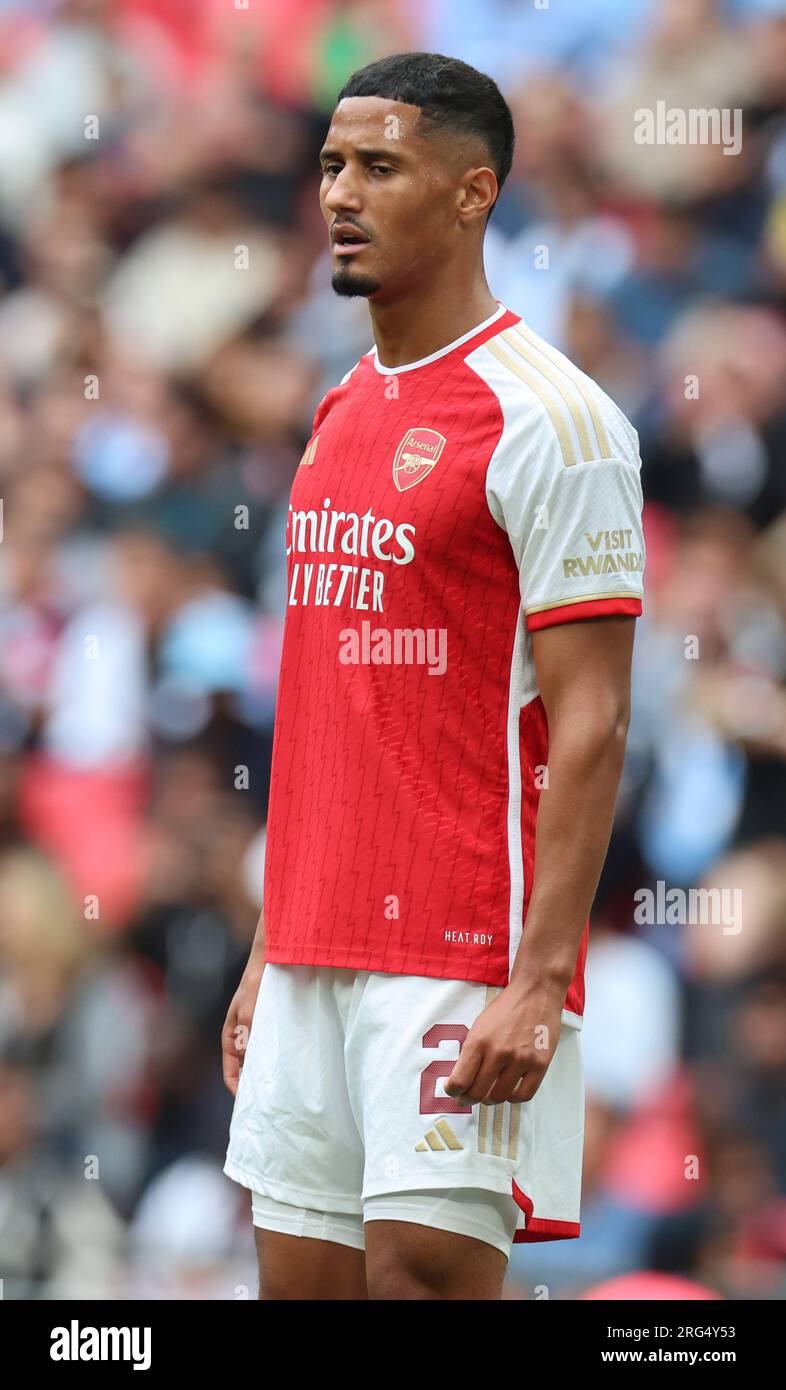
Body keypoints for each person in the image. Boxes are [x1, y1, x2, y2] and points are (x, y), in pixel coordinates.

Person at [221, 51, 645, 1301]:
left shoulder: (555, 421)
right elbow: (326, 704)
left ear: (474, 193)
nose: (341, 194)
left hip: (460, 944)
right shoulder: (341, 409)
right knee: (301, 1287)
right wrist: (266, 944)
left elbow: (596, 717)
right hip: (312, 945)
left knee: (420, 1281)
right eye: (331, 166)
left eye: (379, 167)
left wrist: (541, 977)